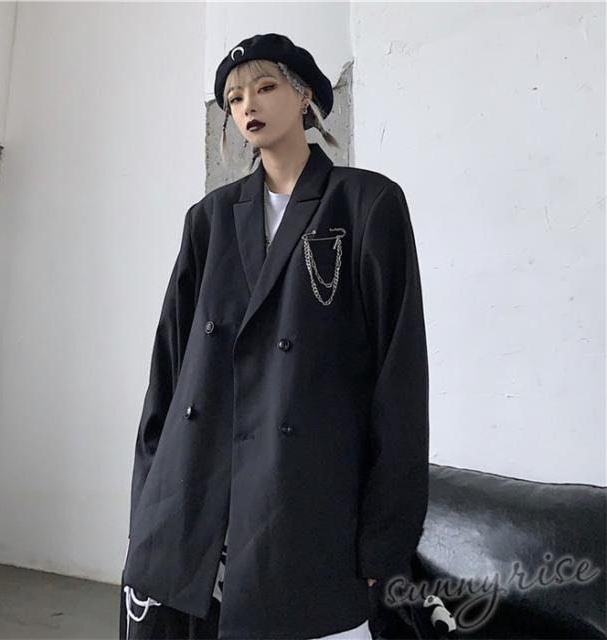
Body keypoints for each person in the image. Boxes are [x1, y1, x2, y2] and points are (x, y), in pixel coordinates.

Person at [120, 32, 430, 640]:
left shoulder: (366, 204)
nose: (248, 107)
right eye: (235, 99)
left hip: (304, 497)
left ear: (305, 95)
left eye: (264, 87)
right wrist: (146, 512)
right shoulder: (209, 219)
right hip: (193, 497)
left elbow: (399, 383)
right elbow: (170, 370)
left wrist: (385, 541)